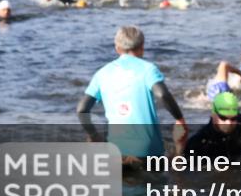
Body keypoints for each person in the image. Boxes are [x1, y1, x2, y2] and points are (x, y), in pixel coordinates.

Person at [76, 26, 188, 165]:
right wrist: (179, 118)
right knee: (154, 184)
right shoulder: (148, 69)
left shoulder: (102, 73)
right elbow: (162, 94)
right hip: (148, 151)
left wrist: (93, 135)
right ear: (142, 47)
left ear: (117, 48)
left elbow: (81, 109)